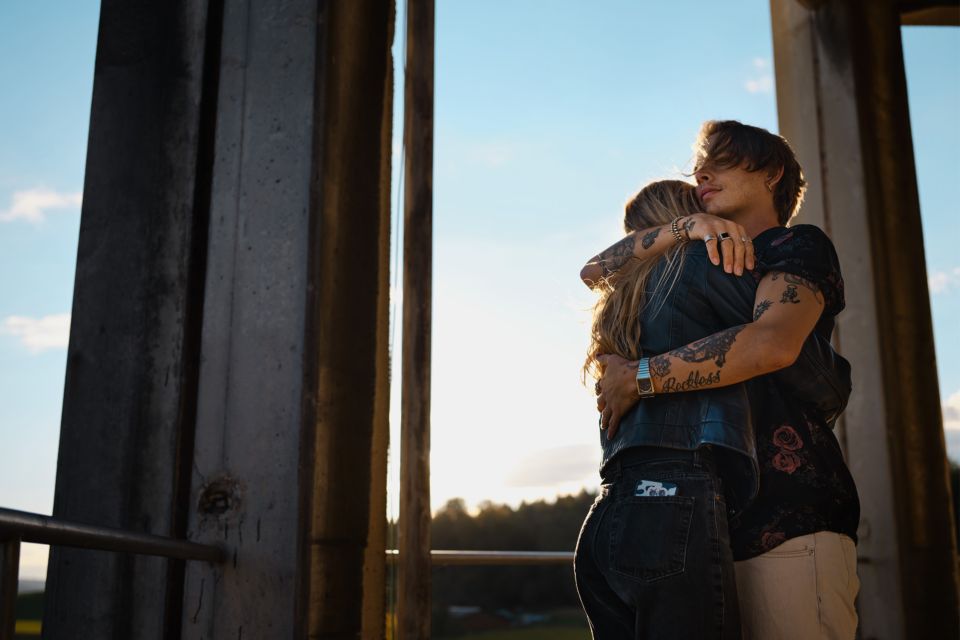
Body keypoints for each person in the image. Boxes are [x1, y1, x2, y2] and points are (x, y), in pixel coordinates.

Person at [590, 120, 860, 640]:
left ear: (771, 172)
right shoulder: (685, 254)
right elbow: (594, 271)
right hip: (696, 523)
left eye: (722, 160)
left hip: (787, 519)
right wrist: (682, 228)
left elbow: (772, 344)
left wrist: (639, 377)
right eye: (699, 164)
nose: (701, 172)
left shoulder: (796, 245)